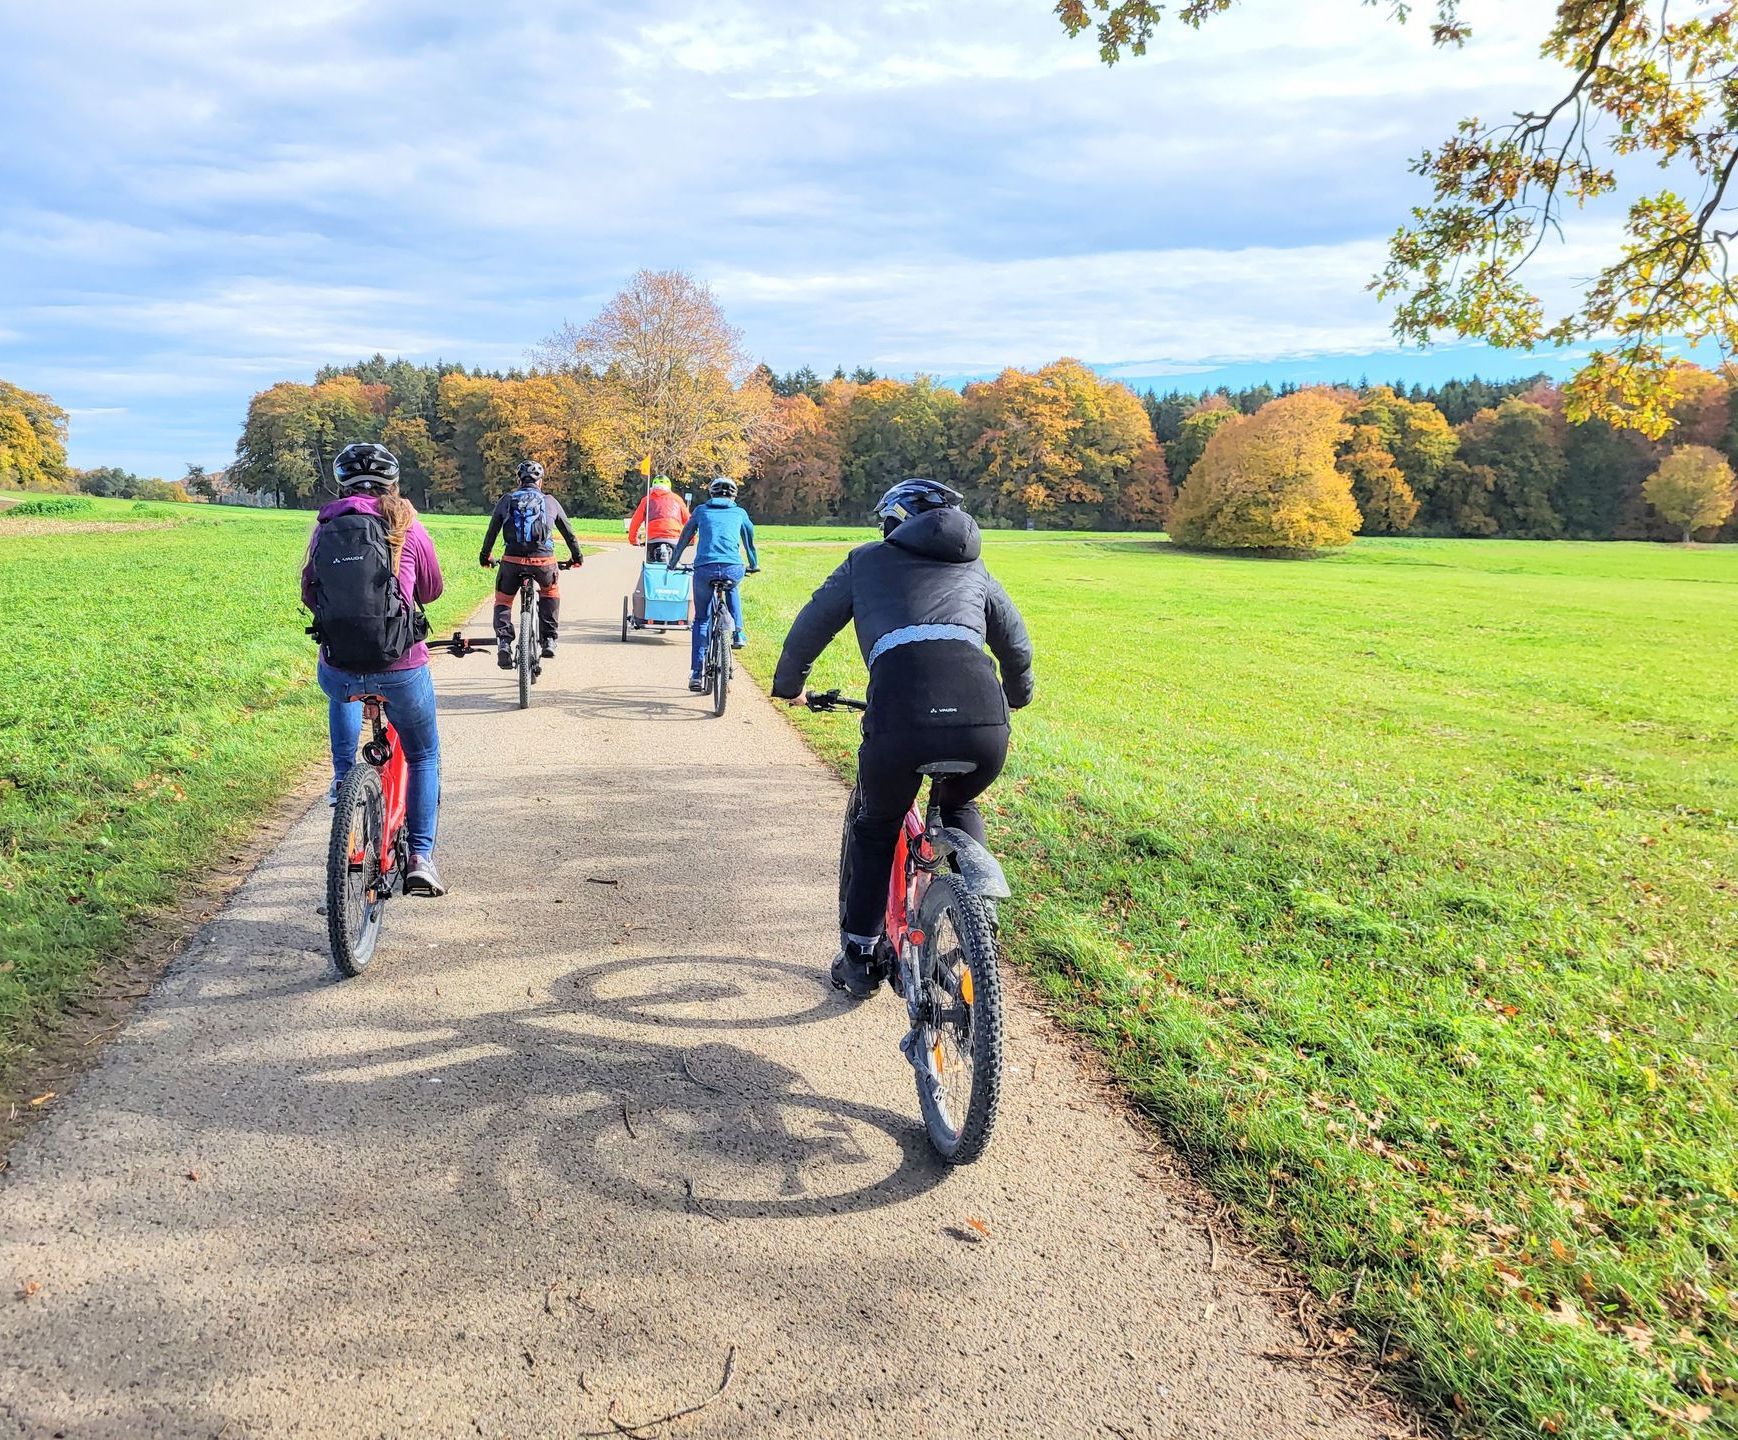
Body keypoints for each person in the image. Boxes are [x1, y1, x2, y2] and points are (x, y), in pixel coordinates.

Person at [770, 479, 1034, 997]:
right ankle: (975, 931)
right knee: (959, 807)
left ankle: (861, 958)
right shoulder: (974, 567)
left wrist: (789, 688)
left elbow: (810, 628)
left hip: (900, 715)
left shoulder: (866, 560)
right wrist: (1017, 697)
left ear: (893, 521)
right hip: (983, 720)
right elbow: (1017, 644)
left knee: (877, 825)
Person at [301, 441, 448, 897]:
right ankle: (421, 857)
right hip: (400, 664)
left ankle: (344, 778)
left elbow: (310, 594)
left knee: (340, 686)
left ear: (342, 484)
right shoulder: (406, 524)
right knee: (424, 755)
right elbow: (434, 588)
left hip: (341, 665)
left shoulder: (326, 526)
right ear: (393, 483)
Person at [478, 461, 584, 667]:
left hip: (512, 562)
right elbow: (569, 533)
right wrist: (576, 558)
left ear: (519, 480)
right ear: (540, 481)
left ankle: (504, 643)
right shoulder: (550, 501)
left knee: (504, 600)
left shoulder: (507, 500)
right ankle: (549, 640)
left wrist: (486, 557)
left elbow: (492, 532)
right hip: (543, 562)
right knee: (550, 592)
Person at [667, 477, 760, 692]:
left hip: (704, 569)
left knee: (701, 618)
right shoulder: (740, 513)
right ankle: (738, 633)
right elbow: (749, 542)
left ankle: (697, 674)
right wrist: (753, 564)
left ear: (711, 494)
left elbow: (684, 537)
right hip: (732, 568)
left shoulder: (700, 511)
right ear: (734, 496)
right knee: (733, 587)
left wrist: (673, 563)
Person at [625, 475, 690, 564]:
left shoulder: (647, 500)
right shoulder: (677, 499)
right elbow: (689, 521)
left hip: (653, 538)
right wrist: (691, 539)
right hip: (673, 537)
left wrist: (633, 539)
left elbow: (636, 521)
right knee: (675, 566)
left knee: (649, 567)